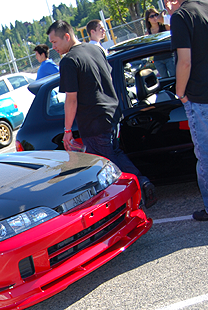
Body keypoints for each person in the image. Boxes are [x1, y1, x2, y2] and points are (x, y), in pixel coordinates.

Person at [47, 20, 157, 208]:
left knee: (109, 165)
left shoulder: (69, 61)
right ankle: (134, 190)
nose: (53, 47)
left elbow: (71, 99)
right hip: (112, 113)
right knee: (113, 155)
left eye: (55, 42)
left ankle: (138, 186)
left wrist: (67, 130)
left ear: (67, 36)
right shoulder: (95, 49)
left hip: (94, 120)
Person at [167, 0, 208, 221]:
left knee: (207, 156)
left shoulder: (181, 16)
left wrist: (180, 93)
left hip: (201, 97)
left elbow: (184, 61)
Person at [145, 7, 176, 78]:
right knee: (164, 80)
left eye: (156, 15)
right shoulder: (148, 33)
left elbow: (174, 35)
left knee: (175, 77)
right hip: (158, 59)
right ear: (148, 19)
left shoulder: (165, 26)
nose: (155, 17)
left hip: (170, 56)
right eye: (152, 16)